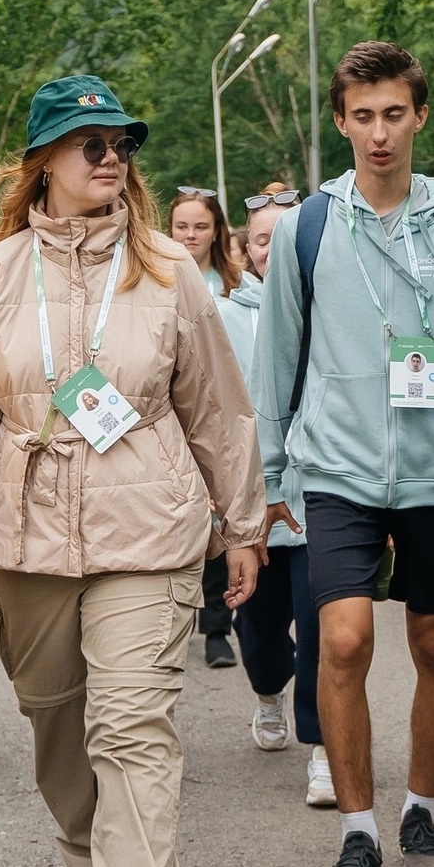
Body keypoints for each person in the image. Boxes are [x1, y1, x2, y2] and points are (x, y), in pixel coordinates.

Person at [0, 75, 264, 867]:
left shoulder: (167, 271)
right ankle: (84, 844)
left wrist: (242, 524)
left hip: (146, 529)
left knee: (134, 724)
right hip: (24, 538)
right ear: (42, 164)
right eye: (89, 144)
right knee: (54, 715)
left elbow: (218, 409)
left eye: (120, 143)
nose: (110, 157)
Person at [252, 41, 434, 867]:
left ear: (420, 117)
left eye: (394, 113)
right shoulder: (306, 228)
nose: (379, 132)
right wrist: (273, 470)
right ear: (340, 122)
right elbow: (277, 355)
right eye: (362, 116)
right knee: (346, 640)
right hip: (340, 471)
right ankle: (358, 830)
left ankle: (421, 813)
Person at [222, 184, 322, 772]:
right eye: (263, 239)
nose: (275, 249)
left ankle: (323, 744)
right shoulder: (221, 317)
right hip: (250, 503)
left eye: (287, 236)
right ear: (245, 249)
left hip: (320, 497)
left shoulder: (334, 308)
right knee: (258, 629)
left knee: (321, 625)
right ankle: (267, 692)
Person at [170, 187, 245, 670]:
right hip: (169, 420)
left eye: (201, 227)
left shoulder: (234, 286)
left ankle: (217, 627)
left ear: (216, 231)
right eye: (182, 226)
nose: (192, 236)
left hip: (219, 414)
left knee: (221, 518)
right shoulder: (153, 277)